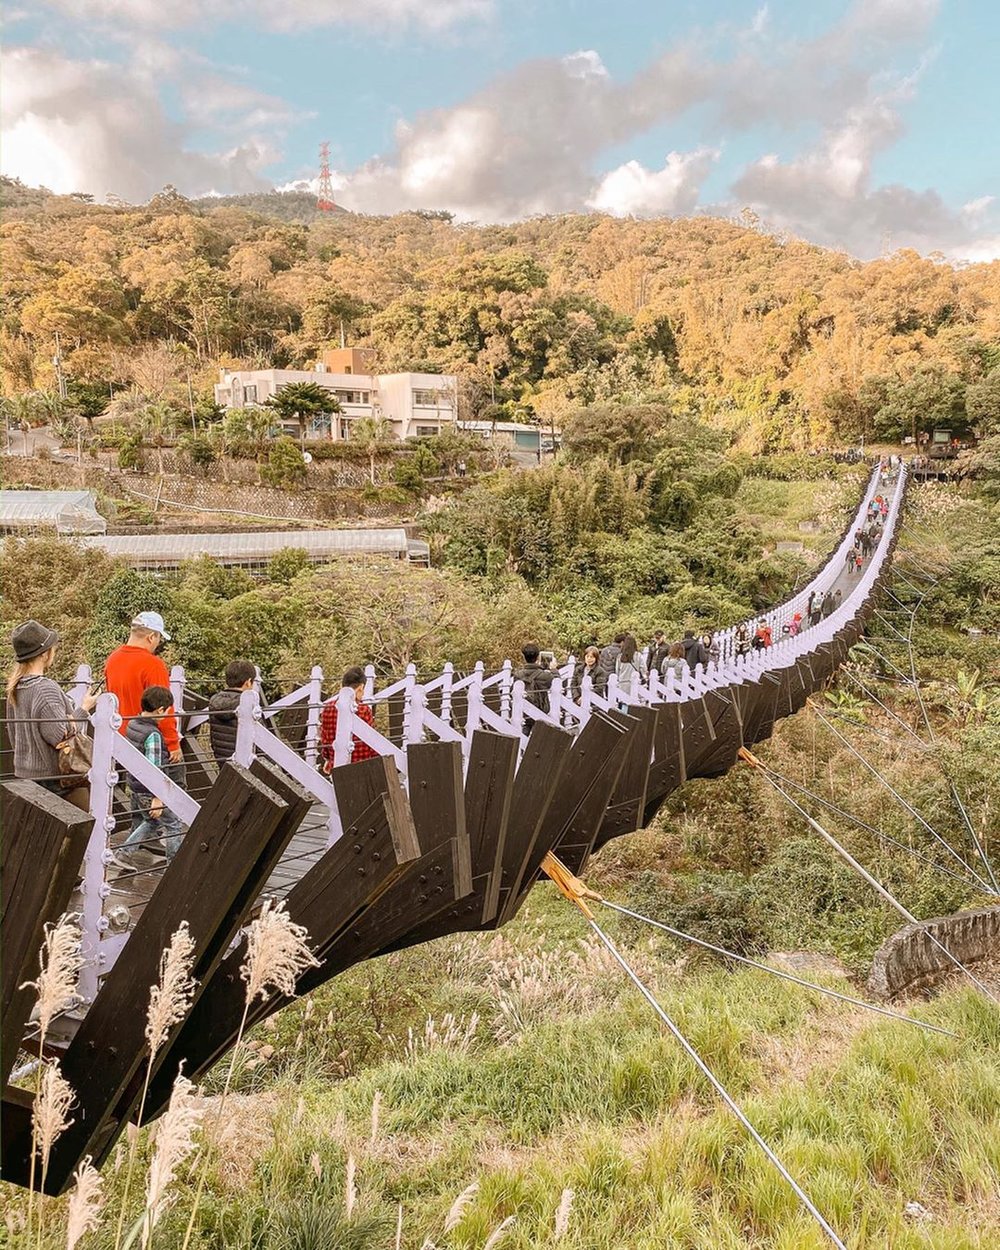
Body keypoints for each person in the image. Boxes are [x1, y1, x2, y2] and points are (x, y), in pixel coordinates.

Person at [6, 620, 96, 811]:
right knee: (91, 821)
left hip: (24, 776)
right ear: (44, 654)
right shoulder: (45, 689)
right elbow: (61, 736)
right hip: (53, 781)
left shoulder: (15, 688)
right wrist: (84, 709)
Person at [117, 685, 187, 865]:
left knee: (152, 821)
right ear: (160, 710)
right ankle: (174, 863)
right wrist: (158, 797)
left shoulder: (133, 724)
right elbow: (154, 768)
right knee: (173, 823)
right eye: (167, 711)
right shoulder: (153, 734)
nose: (167, 715)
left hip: (136, 785)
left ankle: (124, 853)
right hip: (149, 790)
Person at [105, 612, 181, 764]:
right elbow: (164, 707)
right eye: (159, 638)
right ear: (151, 637)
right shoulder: (153, 665)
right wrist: (173, 743)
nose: (158, 643)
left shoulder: (112, 659)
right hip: (147, 740)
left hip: (118, 738)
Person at [320, 667, 379, 770]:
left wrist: (328, 759)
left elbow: (325, 740)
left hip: (336, 766)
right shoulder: (364, 709)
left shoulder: (328, 708)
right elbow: (371, 742)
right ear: (361, 688)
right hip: (362, 766)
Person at [207, 660, 256, 763]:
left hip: (222, 760)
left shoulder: (215, 700)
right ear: (248, 682)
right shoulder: (248, 705)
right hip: (246, 762)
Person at [513, 643, 557, 711]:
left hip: (523, 712)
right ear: (538, 657)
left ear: (524, 657)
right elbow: (557, 684)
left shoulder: (518, 674)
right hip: (541, 711)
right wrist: (554, 669)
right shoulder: (546, 676)